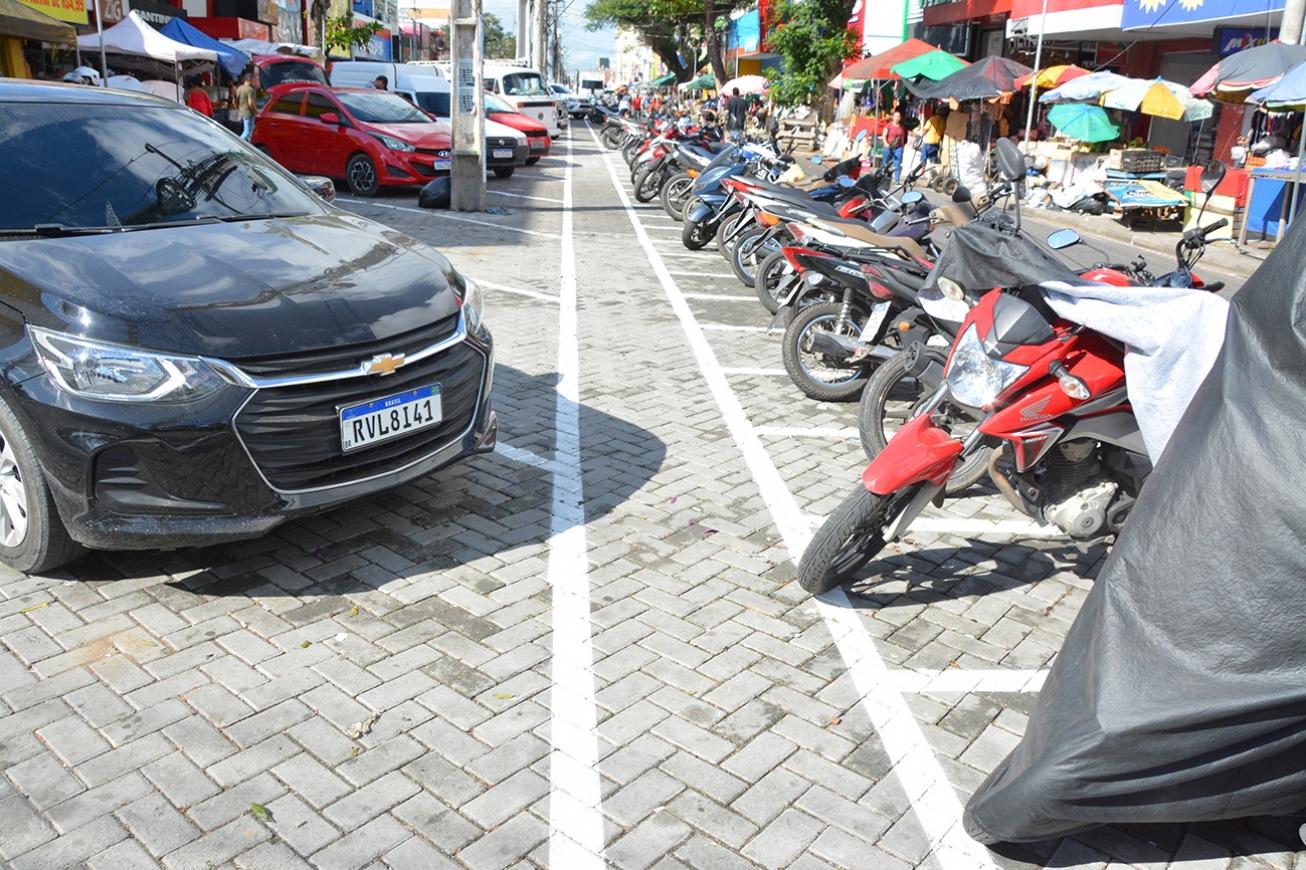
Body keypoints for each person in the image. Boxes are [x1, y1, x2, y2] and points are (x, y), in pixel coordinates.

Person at [882, 109, 906, 183]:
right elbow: (884, 135)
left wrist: (902, 146)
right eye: (896, 116)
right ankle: (882, 176)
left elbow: (902, 137)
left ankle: (897, 179)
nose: (897, 118)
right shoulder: (889, 125)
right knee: (885, 162)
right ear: (893, 117)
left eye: (899, 117)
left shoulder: (901, 127)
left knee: (897, 163)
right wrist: (886, 143)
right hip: (889, 146)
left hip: (898, 147)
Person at [236, 71, 257, 141]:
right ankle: (240, 143)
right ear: (248, 80)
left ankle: (247, 144)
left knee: (248, 130)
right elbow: (250, 103)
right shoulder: (250, 89)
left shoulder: (239, 88)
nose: (254, 82)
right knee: (248, 131)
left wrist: (238, 108)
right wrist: (254, 111)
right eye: (253, 80)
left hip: (242, 112)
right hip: (249, 113)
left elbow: (235, 100)